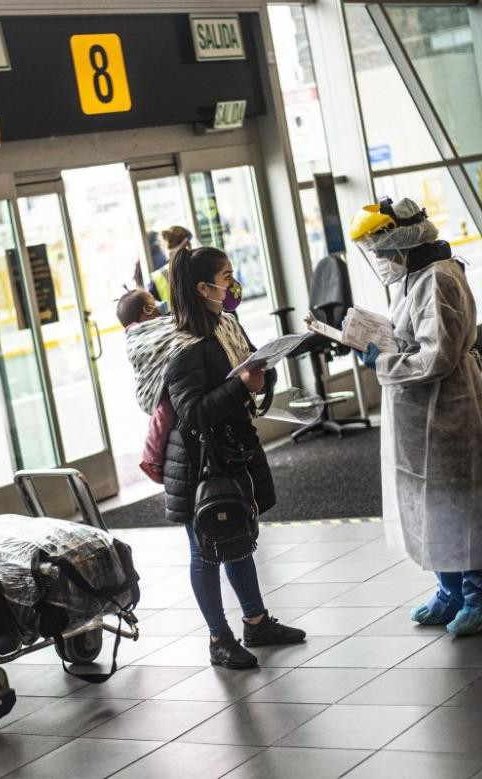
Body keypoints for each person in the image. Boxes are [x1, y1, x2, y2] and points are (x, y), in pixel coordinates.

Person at [348, 197, 482, 636]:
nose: (381, 260)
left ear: (402, 240)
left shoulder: (439, 279)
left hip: (449, 408)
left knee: (465, 502)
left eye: (382, 250)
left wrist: (384, 364)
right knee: (432, 504)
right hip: (419, 412)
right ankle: (451, 589)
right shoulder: (415, 277)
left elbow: (439, 355)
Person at [161, 244, 306, 668]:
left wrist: (264, 370)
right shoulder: (184, 346)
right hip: (197, 464)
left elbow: (245, 365)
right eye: (225, 277)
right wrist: (242, 384)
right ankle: (219, 639)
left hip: (229, 453)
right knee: (205, 550)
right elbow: (192, 414)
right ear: (203, 287)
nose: (232, 283)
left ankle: (256, 621)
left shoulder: (225, 325)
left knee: (238, 539)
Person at [117, 289, 175, 483]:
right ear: (147, 310)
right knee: (165, 410)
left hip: (166, 379)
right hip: (153, 388)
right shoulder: (139, 334)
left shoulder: (157, 324)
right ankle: (152, 456)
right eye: (154, 303)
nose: (159, 305)